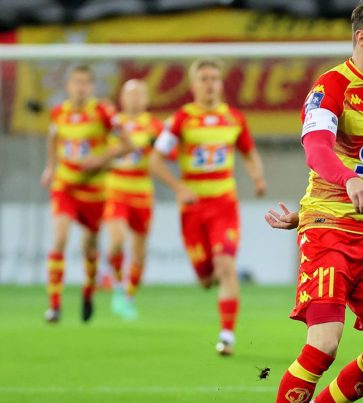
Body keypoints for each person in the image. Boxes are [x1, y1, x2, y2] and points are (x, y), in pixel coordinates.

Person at [265, 1, 363, 401]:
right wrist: (347, 183)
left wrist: (334, 192)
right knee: (324, 343)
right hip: (331, 231)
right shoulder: (330, 87)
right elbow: (317, 149)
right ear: (362, 38)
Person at [148, 58, 267, 355]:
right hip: (193, 209)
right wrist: (179, 187)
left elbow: (249, 152)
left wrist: (257, 177)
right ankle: (211, 277)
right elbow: (154, 161)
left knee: (225, 266)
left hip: (224, 204)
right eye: (204, 79)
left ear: (221, 83)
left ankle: (227, 336)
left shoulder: (234, 119)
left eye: (214, 78)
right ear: (194, 85)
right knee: (205, 278)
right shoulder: (181, 119)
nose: (210, 84)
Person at [41, 64, 134, 323]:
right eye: (76, 82)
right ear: (68, 86)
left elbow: (128, 144)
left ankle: (88, 289)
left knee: (90, 248)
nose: (80, 88)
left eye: (85, 83)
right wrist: (50, 168)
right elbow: (53, 138)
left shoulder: (103, 112)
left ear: (91, 87)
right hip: (66, 186)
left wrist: (101, 158)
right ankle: (54, 306)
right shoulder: (59, 112)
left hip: (95, 190)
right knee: (59, 238)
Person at [104, 79, 163, 320]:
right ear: (122, 98)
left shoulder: (155, 126)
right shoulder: (112, 123)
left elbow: (167, 153)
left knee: (139, 252)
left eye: (140, 94)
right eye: (131, 93)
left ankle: (128, 295)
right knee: (117, 241)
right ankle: (118, 287)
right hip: (116, 189)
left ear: (147, 99)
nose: (135, 98)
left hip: (142, 192)